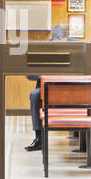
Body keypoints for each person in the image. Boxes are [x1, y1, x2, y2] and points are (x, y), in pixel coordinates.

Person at [25, 24, 70, 152]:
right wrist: (43, 72)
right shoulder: (42, 48)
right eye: (57, 43)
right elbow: (30, 74)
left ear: (67, 37)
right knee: (35, 95)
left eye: (63, 43)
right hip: (48, 88)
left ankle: (83, 134)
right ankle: (39, 138)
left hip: (70, 87)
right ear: (52, 39)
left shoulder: (77, 45)